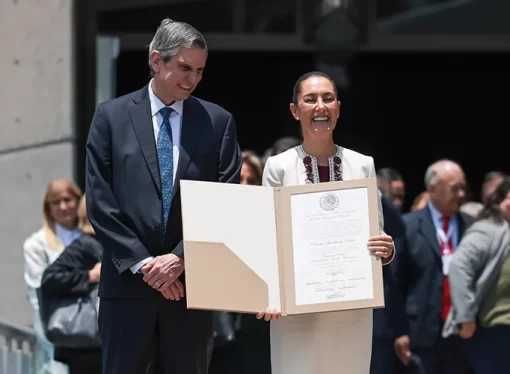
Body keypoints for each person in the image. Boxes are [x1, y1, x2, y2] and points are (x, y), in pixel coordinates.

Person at [85, 18, 242, 374]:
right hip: (126, 292)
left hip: (190, 292)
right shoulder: (111, 117)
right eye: (184, 68)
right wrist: (146, 265)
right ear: (157, 61)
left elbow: (226, 203)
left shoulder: (218, 122)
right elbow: (100, 202)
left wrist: (180, 259)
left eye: (200, 70)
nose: (193, 80)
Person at [258, 71, 395, 374]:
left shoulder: (363, 164)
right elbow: (266, 238)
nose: (320, 106)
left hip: (351, 312)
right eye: (310, 99)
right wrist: (268, 294)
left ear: (338, 108)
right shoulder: (277, 167)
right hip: (295, 315)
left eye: (328, 98)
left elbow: (376, 229)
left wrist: (386, 248)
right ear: (295, 111)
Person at [395, 160, 472, 374]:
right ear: (433, 187)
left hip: (461, 334)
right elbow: (395, 282)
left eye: (463, 188)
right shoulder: (408, 226)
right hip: (420, 334)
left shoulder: (472, 226)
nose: (462, 194)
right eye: (455, 188)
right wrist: (399, 331)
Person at [444, 177, 510, 374]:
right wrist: (466, 317)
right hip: (495, 333)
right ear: (501, 200)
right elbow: (459, 265)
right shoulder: (488, 229)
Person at [23, 178, 82, 374]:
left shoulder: (91, 237)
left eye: (68, 199)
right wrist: (87, 277)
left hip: (92, 322)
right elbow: (39, 287)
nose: (63, 207)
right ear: (48, 207)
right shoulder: (36, 244)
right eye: (56, 202)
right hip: (55, 322)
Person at [40, 195, 102, 374]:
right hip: (86, 346)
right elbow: (49, 279)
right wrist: (90, 276)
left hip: (93, 343)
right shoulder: (85, 245)